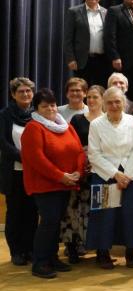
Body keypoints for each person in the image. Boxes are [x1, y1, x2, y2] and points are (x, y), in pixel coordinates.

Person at [20, 89, 86, 278]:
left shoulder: (65, 126)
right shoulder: (34, 128)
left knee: (56, 223)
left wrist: (78, 172)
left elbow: (79, 151)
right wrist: (60, 176)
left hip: (66, 183)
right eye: (44, 106)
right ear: (37, 109)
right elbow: (37, 160)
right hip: (45, 185)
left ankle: (52, 258)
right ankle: (40, 263)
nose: (50, 108)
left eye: (52, 104)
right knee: (48, 223)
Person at [86, 87, 133, 269]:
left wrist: (127, 176)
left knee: (132, 214)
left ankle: (130, 252)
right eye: (110, 102)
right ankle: (103, 253)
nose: (114, 105)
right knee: (105, 216)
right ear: (104, 104)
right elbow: (94, 154)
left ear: (124, 103)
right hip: (104, 174)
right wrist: (116, 174)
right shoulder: (96, 124)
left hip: (130, 174)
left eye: (117, 101)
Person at [61, 85, 104, 263]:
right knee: (73, 209)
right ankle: (71, 247)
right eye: (90, 97)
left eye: (96, 97)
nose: (92, 100)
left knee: (95, 210)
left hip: (100, 170)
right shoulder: (78, 119)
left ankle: (92, 245)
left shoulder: (107, 120)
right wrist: (81, 165)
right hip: (80, 169)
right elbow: (70, 145)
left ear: (103, 99)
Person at [0, 77, 37, 266]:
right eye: (21, 91)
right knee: (15, 213)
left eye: (28, 91)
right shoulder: (5, 115)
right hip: (14, 172)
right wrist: (26, 158)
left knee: (32, 212)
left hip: (35, 173)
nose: (25, 94)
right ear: (13, 94)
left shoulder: (37, 114)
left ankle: (30, 249)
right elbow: (4, 144)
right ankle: (16, 251)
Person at [64, 0, 110, 87]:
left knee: (100, 90)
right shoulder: (74, 12)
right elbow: (68, 38)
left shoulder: (106, 13)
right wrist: (71, 59)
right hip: (82, 60)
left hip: (102, 60)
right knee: (82, 90)